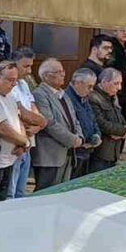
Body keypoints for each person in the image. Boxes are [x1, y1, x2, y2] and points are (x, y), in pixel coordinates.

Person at [31, 59, 83, 190]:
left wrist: (79, 136)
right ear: (46, 76)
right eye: (58, 72)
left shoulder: (63, 94)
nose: (63, 74)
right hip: (50, 154)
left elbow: (74, 119)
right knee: (47, 193)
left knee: (61, 192)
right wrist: (72, 139)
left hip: (68, 152)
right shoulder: (39, 94)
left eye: (62, 71)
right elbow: (49, 122)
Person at [0, 62, 29, 203]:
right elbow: (2, 128)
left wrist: (23, 143)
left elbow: (18, 121)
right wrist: (25, 142)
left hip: (12, 157)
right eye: (10, 80)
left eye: (16, 80)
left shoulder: (10, 96)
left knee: (5, 199)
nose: (14, 84)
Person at [7, 47, 45, 198]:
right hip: (16, 143)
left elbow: (33, 108)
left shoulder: (24, 83)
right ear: (14, 63)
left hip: (29, 142)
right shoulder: (10, 86)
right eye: (25, 66)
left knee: (21, 192)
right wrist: (42, 122)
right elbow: (23, 113)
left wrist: (39, 125)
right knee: (11, 192)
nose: (29, 71)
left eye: (31, 66)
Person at [88, 68, 126, 173]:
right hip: (100, 152)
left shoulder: (112, 97)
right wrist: (123, 131)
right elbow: (101, 123)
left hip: (113, 151)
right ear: (104, 82)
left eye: (120, 83)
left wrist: (124, 130)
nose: (119, 87)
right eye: (116, 83)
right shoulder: (93, 97)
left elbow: (120, 118)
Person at [67, 68, 102, 179]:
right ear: (78, 83)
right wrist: (83, 141)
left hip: (87, 150)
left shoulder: (84, 98)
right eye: (89, 86)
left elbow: (93, 120)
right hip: (75, 152)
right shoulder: (67, 98)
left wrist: (97, 135)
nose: (91, 90)